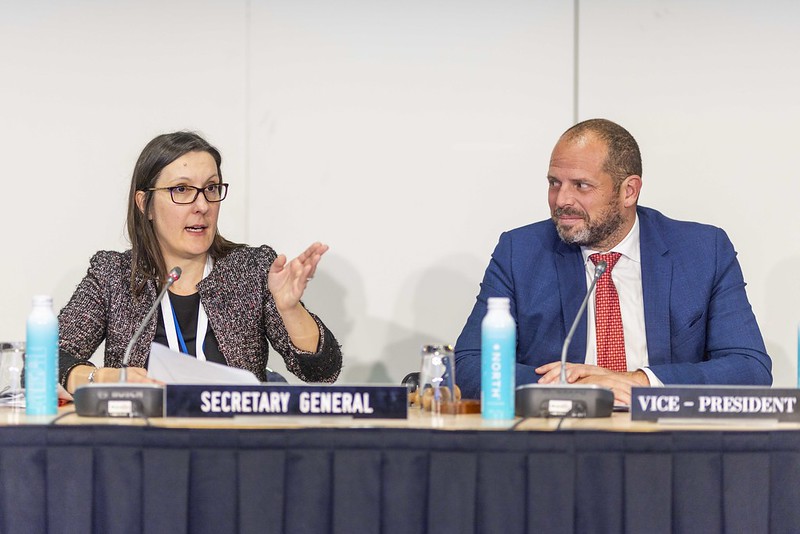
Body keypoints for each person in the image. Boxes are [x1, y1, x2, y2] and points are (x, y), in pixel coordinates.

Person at [454, 119, 771, 405]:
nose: (562, 199)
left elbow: (750, 368)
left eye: (581, 185)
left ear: (629, 191)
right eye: (554, 183)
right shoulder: (521, 252)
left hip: (667, 441)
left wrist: (640, 382)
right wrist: (577, 388)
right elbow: (468, 365)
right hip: (558, 440)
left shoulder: (702, 251)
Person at [58, 131, 342, 393]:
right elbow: (43, 362)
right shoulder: (114, 276)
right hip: (144, 439)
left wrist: (289, 309)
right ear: (145, 205)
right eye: (181, 190)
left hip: (231, 440)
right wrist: (103, 378)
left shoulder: (251, 270)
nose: (202, 205)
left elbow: (323, 371)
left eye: (211, 188)